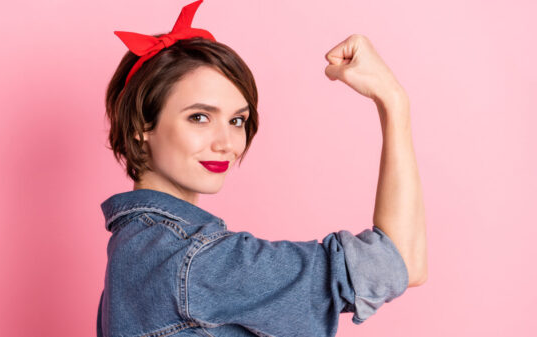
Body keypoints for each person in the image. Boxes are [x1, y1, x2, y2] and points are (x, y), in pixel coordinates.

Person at [97, 1, 428, 337]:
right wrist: (393, 101)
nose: (226, 142)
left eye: (237, 120)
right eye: (199, 117)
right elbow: (399, 262)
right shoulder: (196, 261)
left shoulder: (135, 247)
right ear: (142, 124)